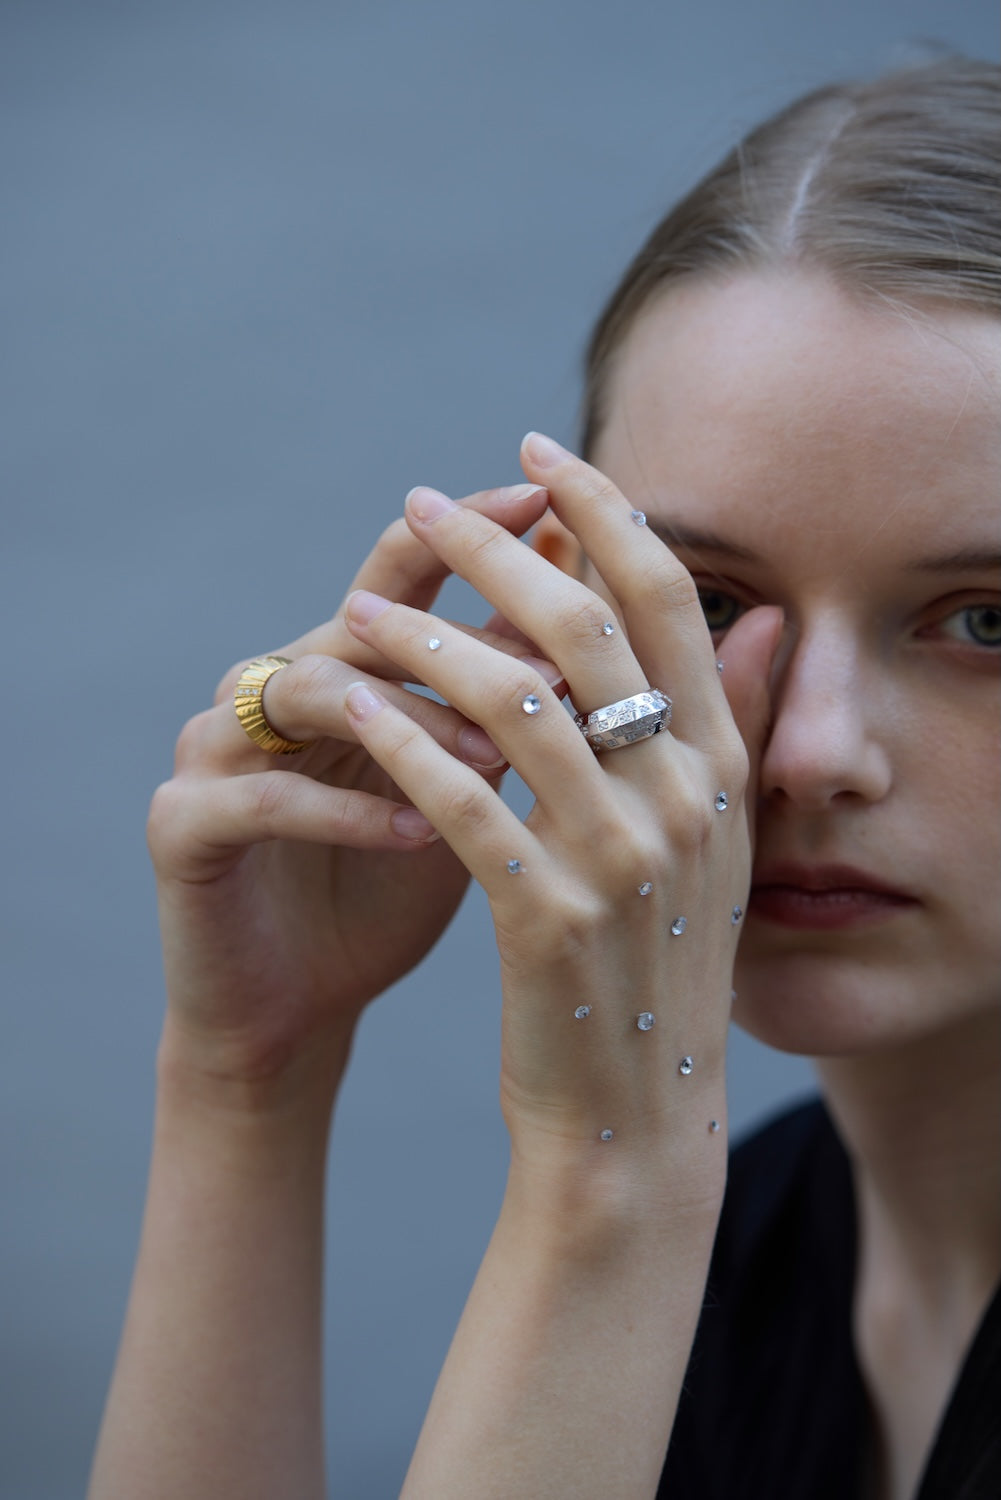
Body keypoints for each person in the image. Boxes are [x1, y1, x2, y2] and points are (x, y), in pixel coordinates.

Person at [88, 54, 999, 1500]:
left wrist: (607, 1174)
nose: (814, 753)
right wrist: (246, 1082)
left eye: (983, 622)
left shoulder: (645, 1229)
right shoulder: (744, 1261)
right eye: (702, 600)